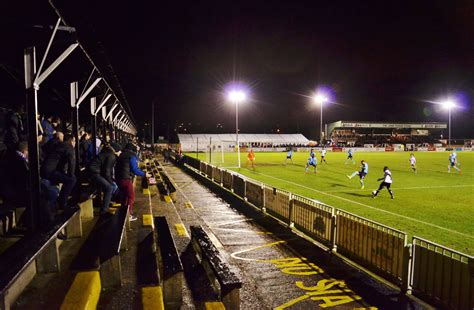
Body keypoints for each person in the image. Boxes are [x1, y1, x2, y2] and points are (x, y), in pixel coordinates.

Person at [41, 133, 77, 210]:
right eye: (75, 141)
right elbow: (72, 162)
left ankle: (60, 201)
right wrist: (71, 175)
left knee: (67, 178)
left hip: (46, 169)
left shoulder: (59, 144)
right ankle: (62, 203)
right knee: (72, 180)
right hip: (50, 171)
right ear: (72, 141)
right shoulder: (69, 146)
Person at [116, 143, 148, 221]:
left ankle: (123, 212)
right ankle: (128, 215)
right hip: (125, 179)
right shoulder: (131, 156)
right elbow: (135, 169)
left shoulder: (122, 155)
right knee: (131, 196)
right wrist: (144, 174)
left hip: (118, 178)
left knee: (125, 196)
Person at [88, 144, 119, 214]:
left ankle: (106, 204)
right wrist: (110, 181)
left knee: (109, 186)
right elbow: (107, 171)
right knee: (110, 187)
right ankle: (104, 210)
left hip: (93, 172)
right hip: (94, 173)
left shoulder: (108, 153)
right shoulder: (111, 156)